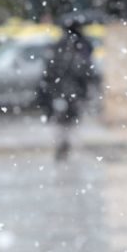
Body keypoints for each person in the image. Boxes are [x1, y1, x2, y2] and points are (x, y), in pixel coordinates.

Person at [39, 16, 98, 161]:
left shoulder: (60, 46)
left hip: (62, 90)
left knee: (63, 120)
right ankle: (65, 143)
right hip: (71, 90)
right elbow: (86, 70)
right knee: (70, 119)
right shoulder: (80, 45)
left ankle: (63, 143)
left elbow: (49, 71)